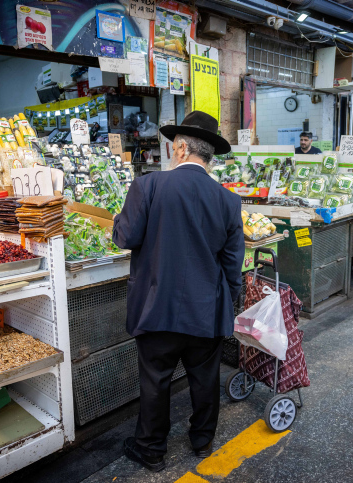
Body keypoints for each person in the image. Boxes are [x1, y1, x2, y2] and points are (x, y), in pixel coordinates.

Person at [113, 110, 244, 473]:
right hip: (206, 310)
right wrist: (225, 303)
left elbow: (126, 237)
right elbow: (233, 265)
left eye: (172, 146)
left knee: (155, 381)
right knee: (205, 379)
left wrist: (116, 219)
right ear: (208, 155)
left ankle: (151, 449)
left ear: (182, 148)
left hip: (156, 307)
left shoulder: (148, 186)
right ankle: (202, 441)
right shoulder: (228, 201)